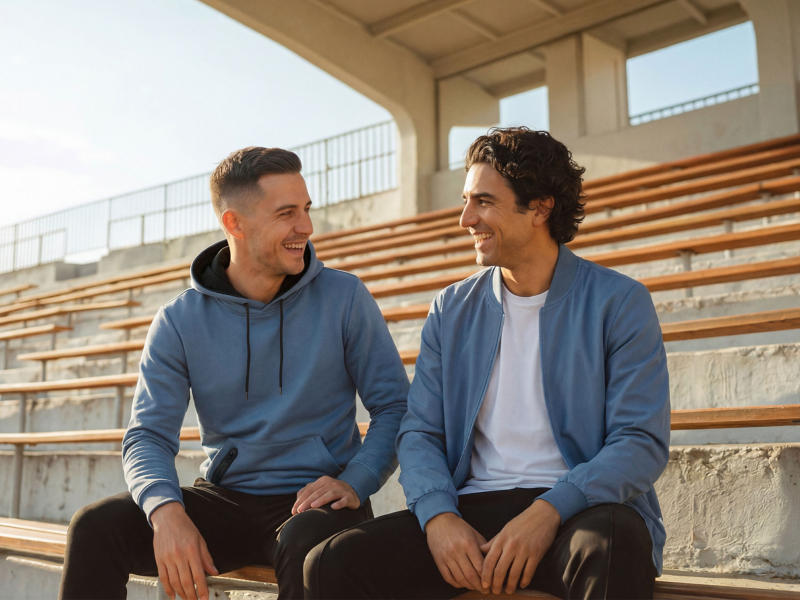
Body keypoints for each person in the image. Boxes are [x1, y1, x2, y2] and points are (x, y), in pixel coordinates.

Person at [305, 127, 670, 600]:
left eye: (483, 201)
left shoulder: (619, 302)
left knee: (614, 542)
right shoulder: (451, 309)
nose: (464, 219)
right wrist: (438, 517)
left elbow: (639, 442)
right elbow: (420, 433)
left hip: (578, 511)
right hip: (470, 514)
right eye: (465, 200)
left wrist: (547, 513)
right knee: (331, 562)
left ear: (540, 207)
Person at [59, 147, 409, 600]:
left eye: (306, 210)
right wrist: (165, 512)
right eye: (287, 213)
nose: (306, 227)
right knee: (95, 526)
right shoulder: (179, 320)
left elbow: (395, 406)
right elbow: (146, 435)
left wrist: (355, 480)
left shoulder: (344, 297)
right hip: (225, 499)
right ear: (234, 224)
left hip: (319, 502)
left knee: (309, 548)